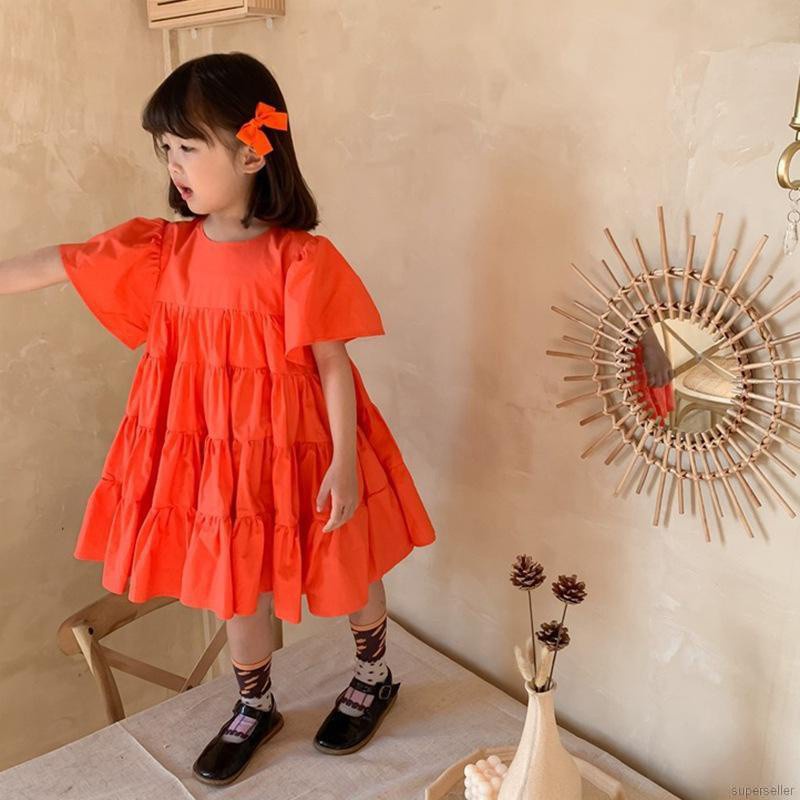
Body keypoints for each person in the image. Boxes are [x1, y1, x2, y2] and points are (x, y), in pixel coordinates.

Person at [0, 52, 436, 785]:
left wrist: (344, 461)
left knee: (346, 559)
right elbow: (59, 262)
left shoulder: (301, 258)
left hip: (300, 444)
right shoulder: (160, 251)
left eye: (187, 146)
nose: (173, 164)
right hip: (207, 453)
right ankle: (254, 704)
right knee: (236, 578)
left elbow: (333, 365)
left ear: (252, 152)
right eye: (165, 148)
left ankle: (373, 675)